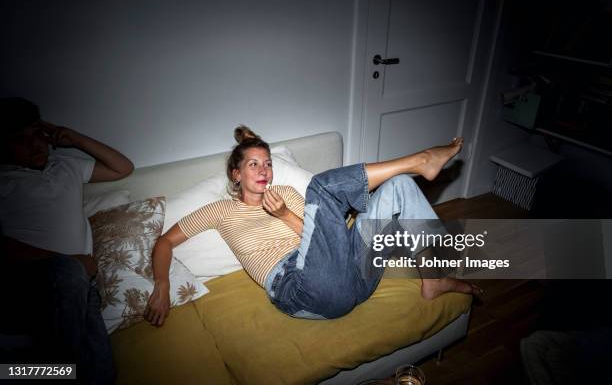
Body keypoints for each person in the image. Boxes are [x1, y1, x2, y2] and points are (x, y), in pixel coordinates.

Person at [145, 125, 481, 325]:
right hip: (301, 289)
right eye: (253, 164)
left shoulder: (286, 194)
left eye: (268, 163)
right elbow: (164, 242)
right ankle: (418, 160)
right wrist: (161, 285)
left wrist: (286, 215)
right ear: (236, 174)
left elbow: (323, 234)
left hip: (348, 276)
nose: (264, 170)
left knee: (401, 188)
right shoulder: (219, 211)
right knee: (322, 188)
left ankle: (433, 280)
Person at [0, 97, 134, 384]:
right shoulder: (4, 180)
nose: (35, 144)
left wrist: (72, 137)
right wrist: (69, 263)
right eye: (20, 139)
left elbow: (123, 167)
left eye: (37, 134)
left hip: (80, 288)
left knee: (102, 375)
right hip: (28, 282)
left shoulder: (66, 165)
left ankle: (17, 369)